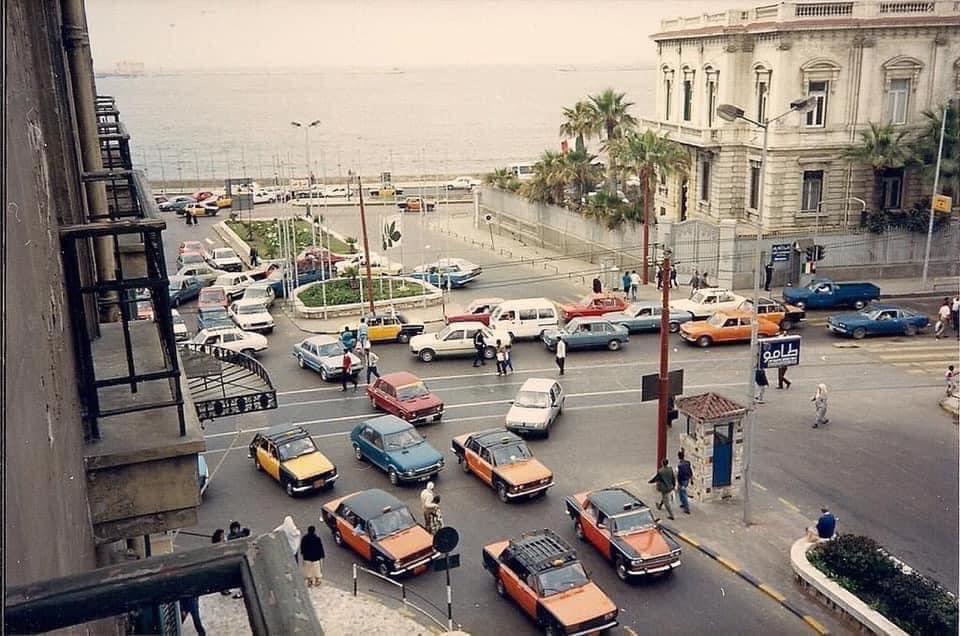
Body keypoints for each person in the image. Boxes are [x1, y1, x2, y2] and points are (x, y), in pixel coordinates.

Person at [676, 450, 693, 515]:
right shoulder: (688, 463)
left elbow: (679, 475)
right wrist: (691, 479)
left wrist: (679, 482)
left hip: (682, 481)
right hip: (687, 480)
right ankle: (683, 503)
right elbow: (690, 471)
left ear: (678, 457)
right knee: (681, 492)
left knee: (683, 494)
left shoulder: (679, 465)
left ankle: (687, 509)